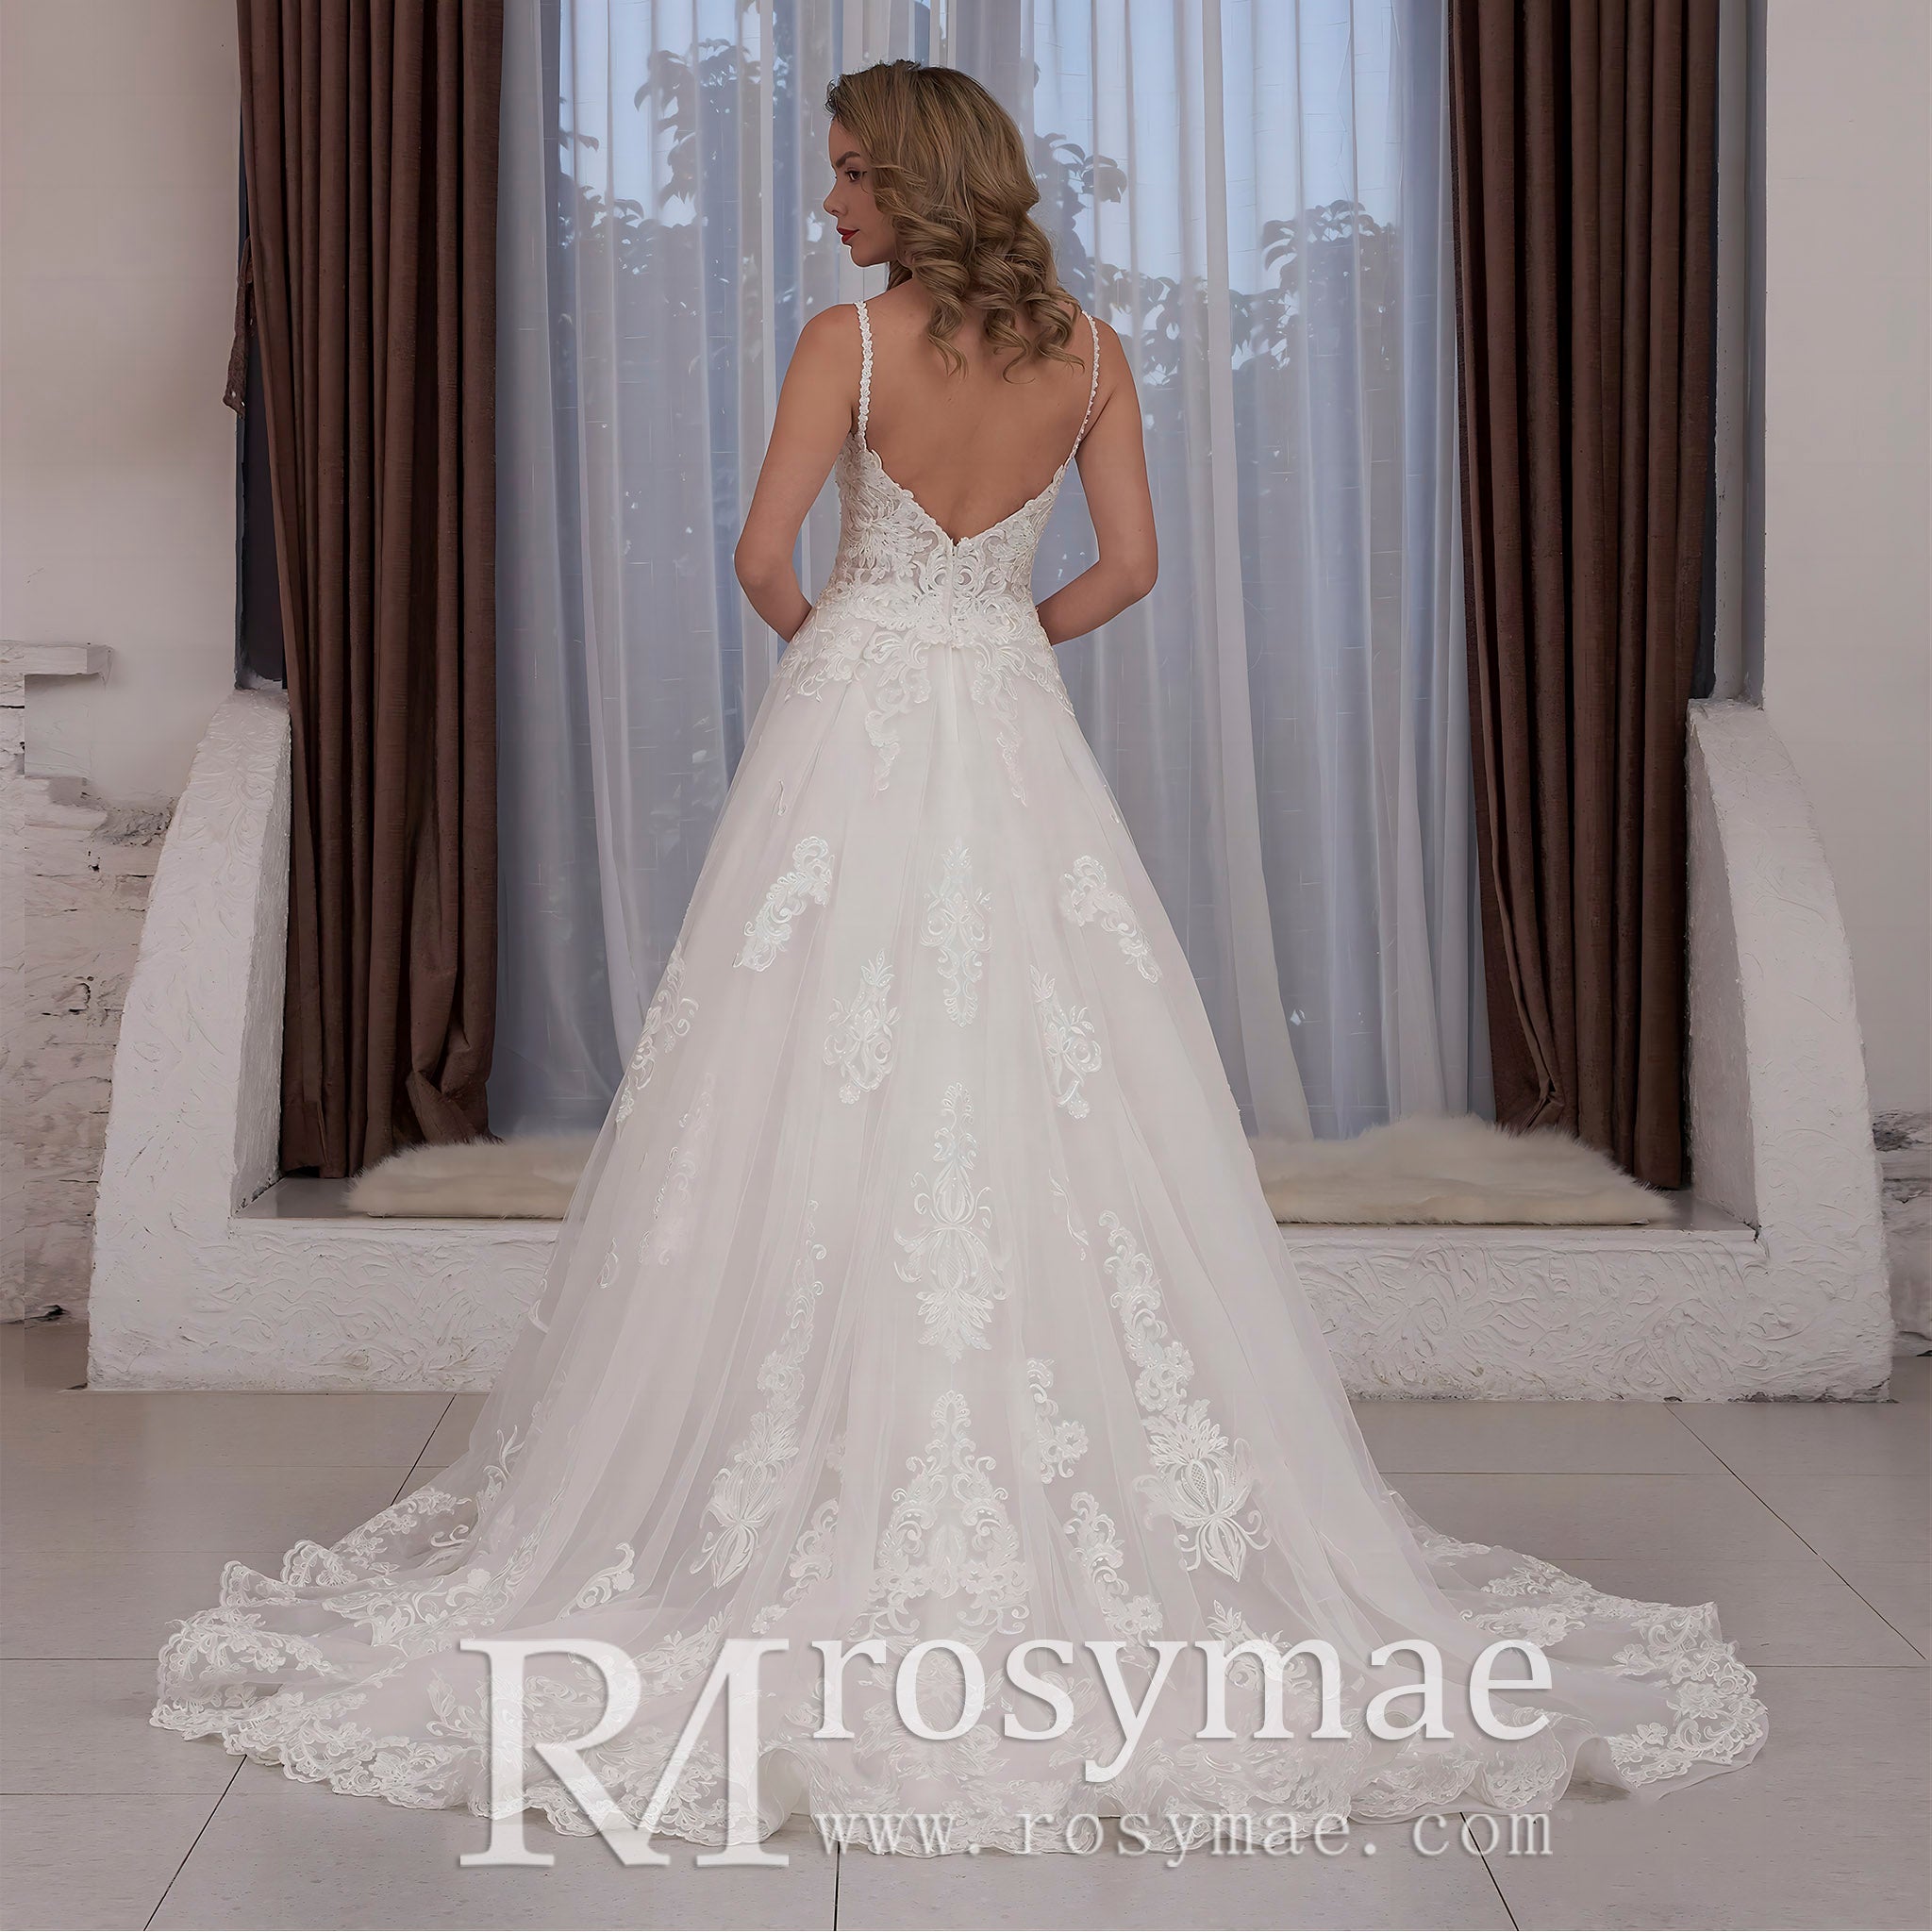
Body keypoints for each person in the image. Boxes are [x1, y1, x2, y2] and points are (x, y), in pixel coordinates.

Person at [155, 60, 1764, 1854]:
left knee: (807, 1066)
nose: (828, 201)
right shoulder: (1092, 354)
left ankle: (792, 1459)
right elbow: (1131, 567)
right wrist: (999, 637)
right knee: (1035, 1071)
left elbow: (761, 554)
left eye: (850, 173)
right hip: (1007, 724)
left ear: (917, 182)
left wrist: (845, 648)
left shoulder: (846, 345)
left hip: (857, 719)